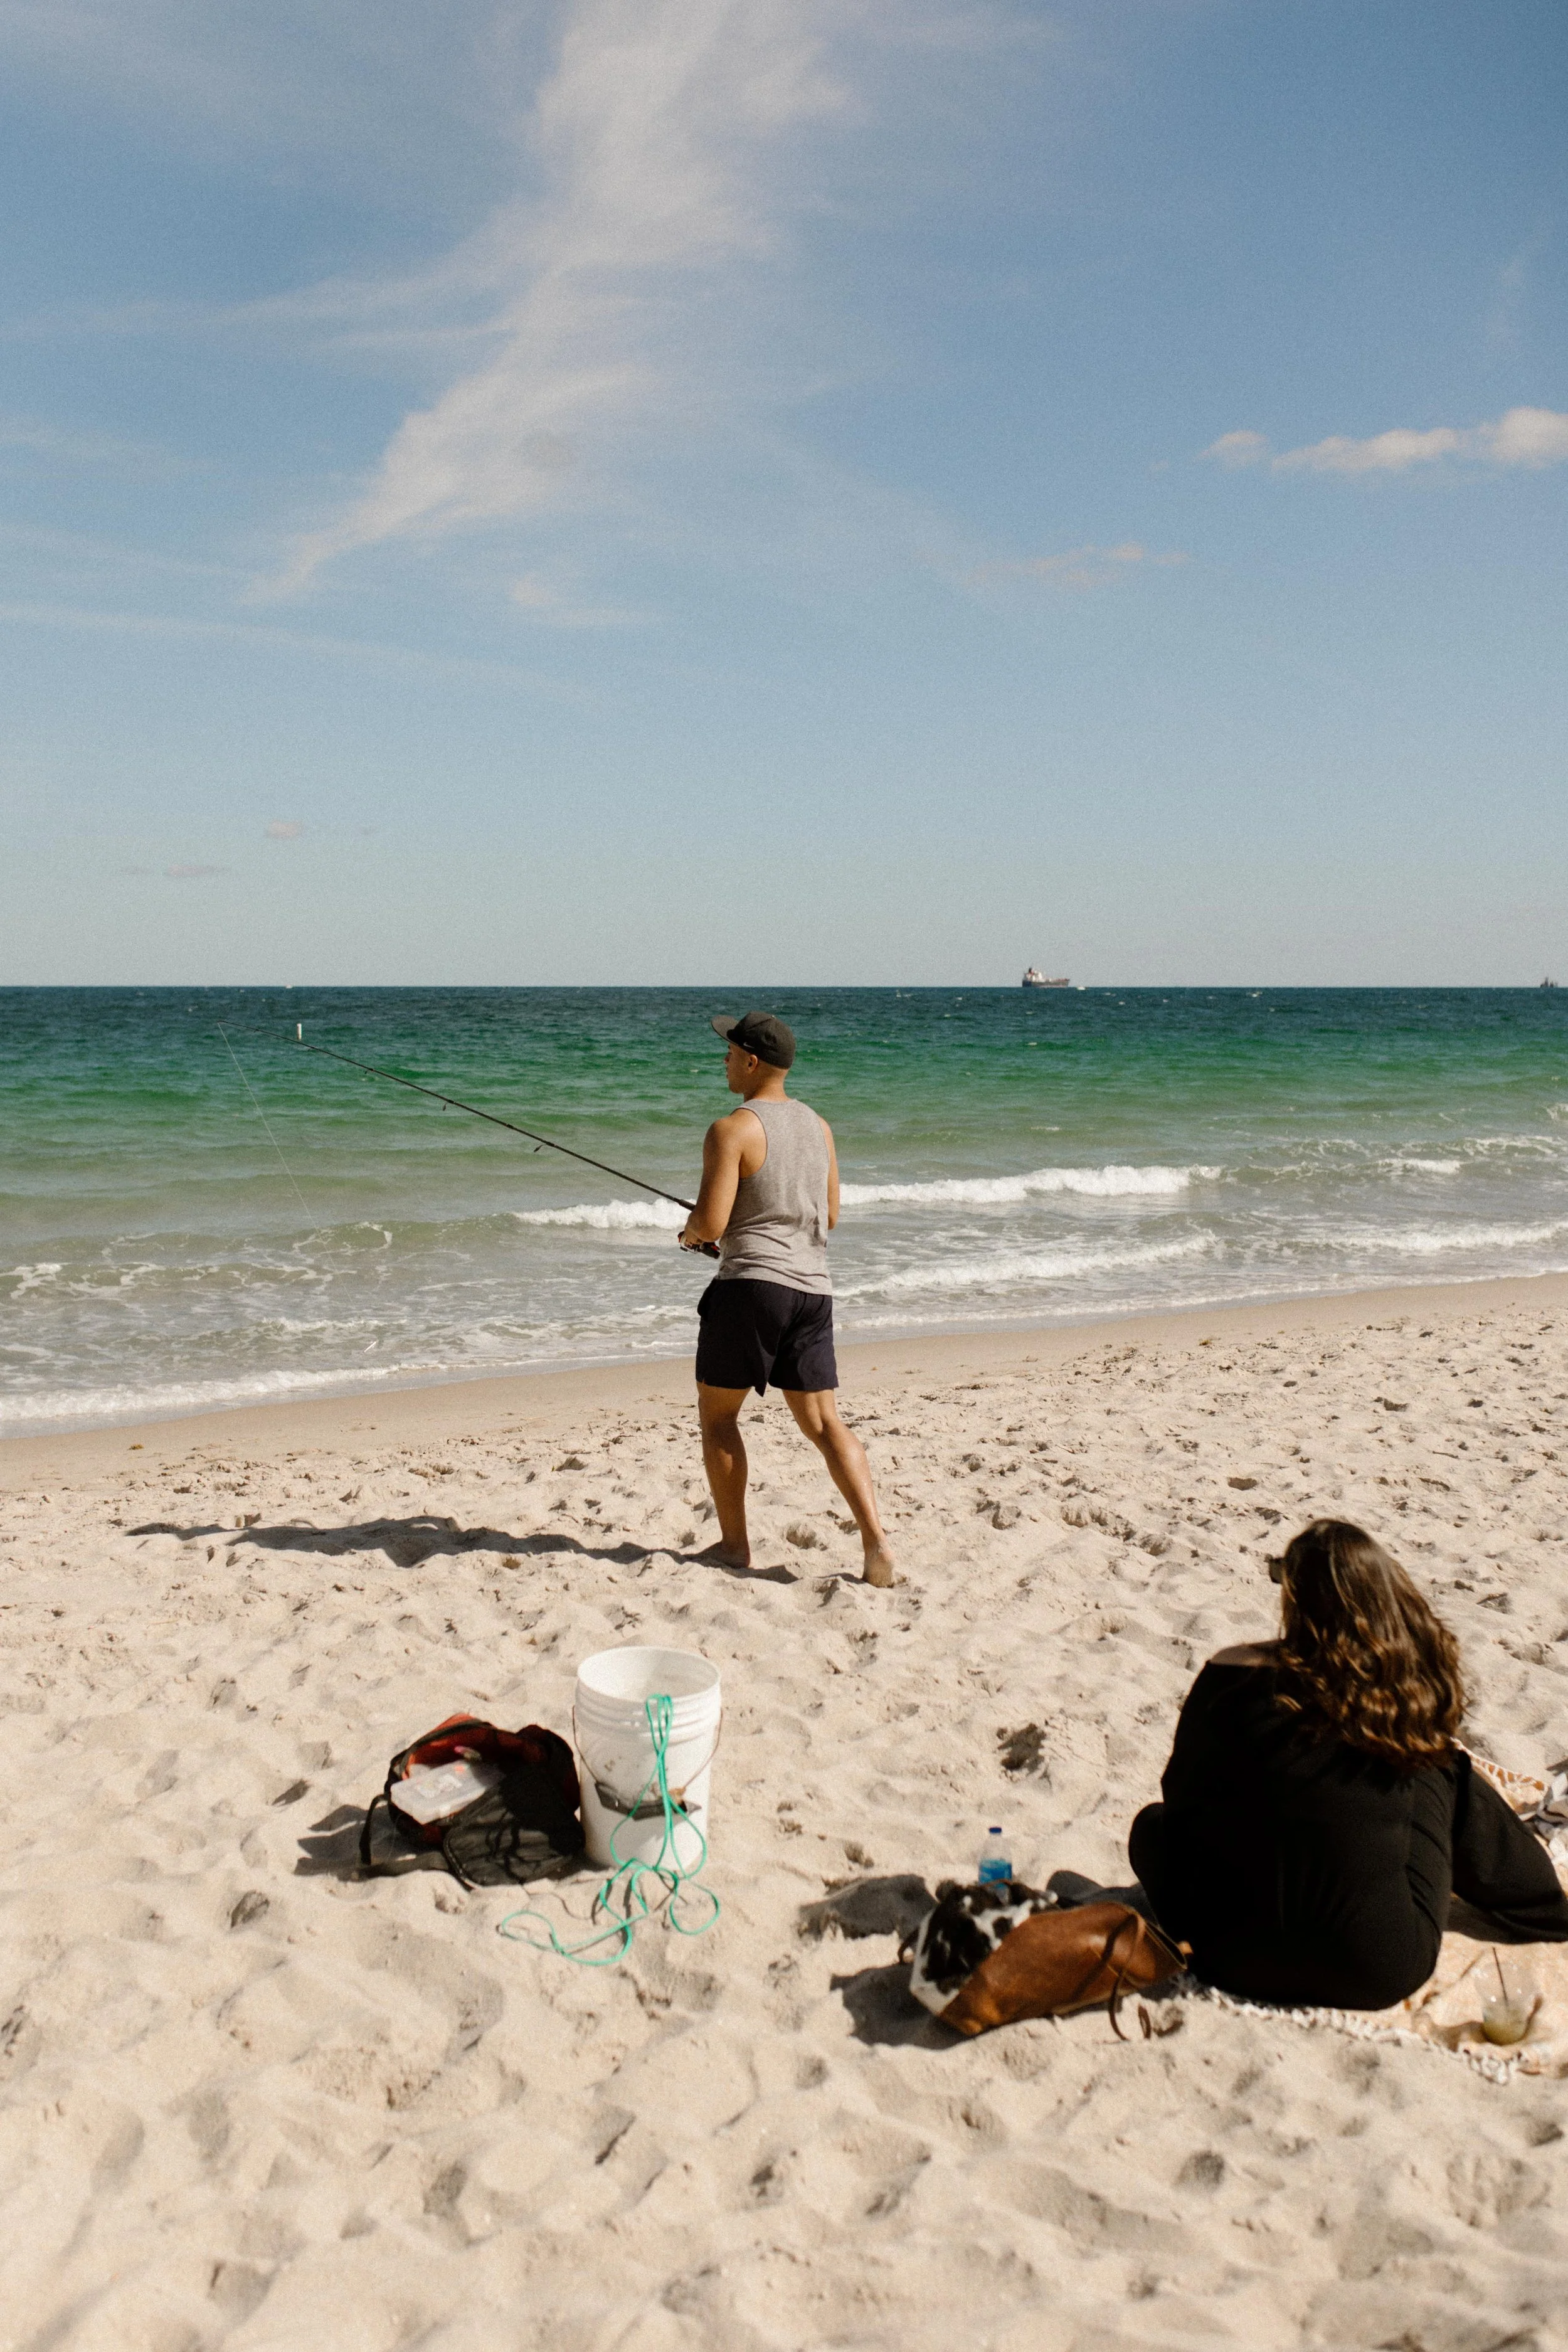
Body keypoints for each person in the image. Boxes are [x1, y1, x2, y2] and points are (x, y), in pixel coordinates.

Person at [1126, 1518, 1568, 2010]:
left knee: (1152, 1826)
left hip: (1223, 1956)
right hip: (1373, 1970)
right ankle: (1544, 1908)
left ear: (1293, 1598)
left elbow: (1180, 1791)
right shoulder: (1388, 1700)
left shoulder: (1226, 1673)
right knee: (1438, 1764)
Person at [677, 1010, 896, 1588]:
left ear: (752, 1061)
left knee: (719, 1418)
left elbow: (712, 1221)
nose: (722, 1059)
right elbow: (833, 1216)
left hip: (751, 1290)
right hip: (813, 1291)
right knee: (825, 1423)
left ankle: (733, 1546)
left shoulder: (732, 1129)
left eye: (728, 1051)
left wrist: (692, 1235)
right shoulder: (819, 1127)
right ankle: (875, 1540)